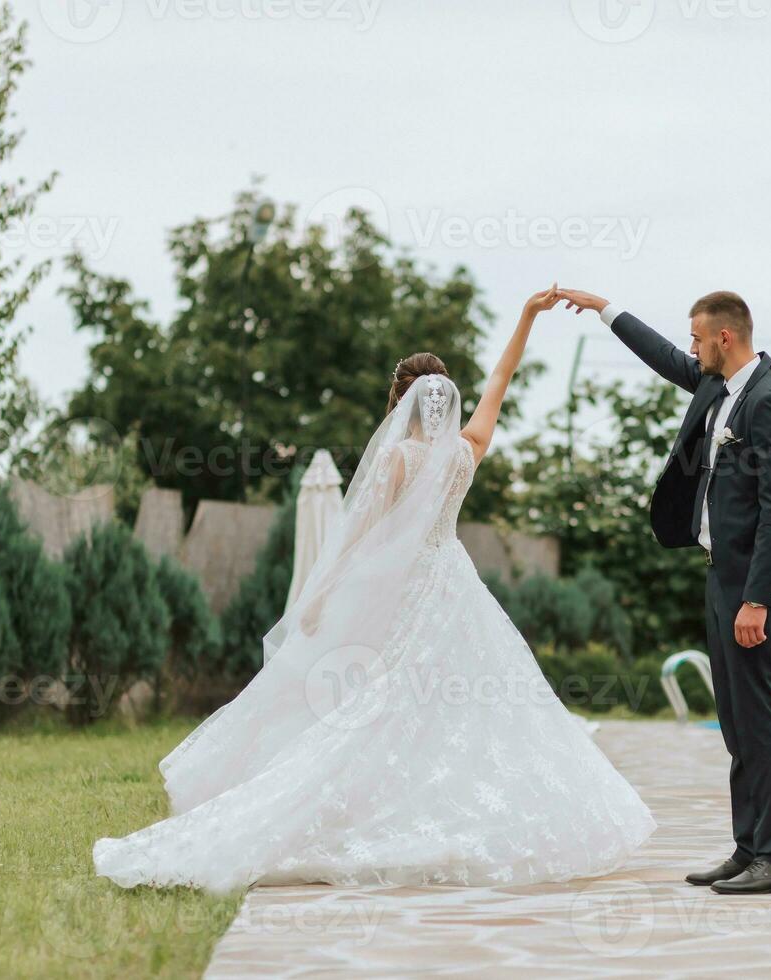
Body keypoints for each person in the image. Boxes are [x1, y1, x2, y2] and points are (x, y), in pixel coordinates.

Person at [93, 286, 655, 893]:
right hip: (455, 587)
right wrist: (524, 316)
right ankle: (437, 806)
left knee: (375, 702)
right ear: (445, 399)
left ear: (400, 403)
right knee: (454, 704)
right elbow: (501, 376)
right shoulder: (466, 454)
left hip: (403, 591)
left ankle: (361, 808)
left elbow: (357, 540)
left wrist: (317, 599)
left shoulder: (395, 462)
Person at [558, 287, 771, 895]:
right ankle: (749, 848)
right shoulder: (719, 387)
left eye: (698, 338)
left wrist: (758, 598)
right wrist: (604, 309)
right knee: (734, 720)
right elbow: (665, 358)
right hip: (720, 573)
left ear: (726, 337)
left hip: (749, 584)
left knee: (760, 717)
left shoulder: (768, 401)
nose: (691, 349)